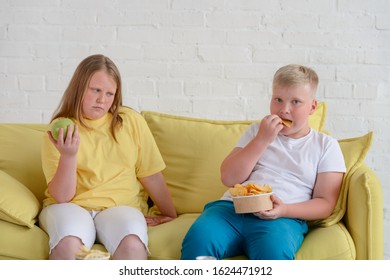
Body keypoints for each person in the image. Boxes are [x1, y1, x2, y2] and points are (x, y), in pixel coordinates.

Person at [181, 64, 346, 260]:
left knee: (274, 254)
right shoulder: (256, 132)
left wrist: (284, 210)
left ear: (312, 106)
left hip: (283, 219)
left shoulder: (326, 145)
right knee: (198, 240)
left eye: (295, 102)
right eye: (278, 100)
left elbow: (325, 203)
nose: (284, 110)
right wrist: (262, 139)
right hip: (231, 210)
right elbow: (228, 177)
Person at [39, 54, 177, 260]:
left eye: (110, 93)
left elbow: (151, 174)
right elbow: (62, 197)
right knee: (68, 245)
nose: (102, 99)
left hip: (121, 207)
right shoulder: (60, 129)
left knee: (132, 244)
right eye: (95, 90)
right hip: (71, 207)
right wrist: (69, 156)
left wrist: (170, 214)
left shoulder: (130, 121)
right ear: (79, 88)